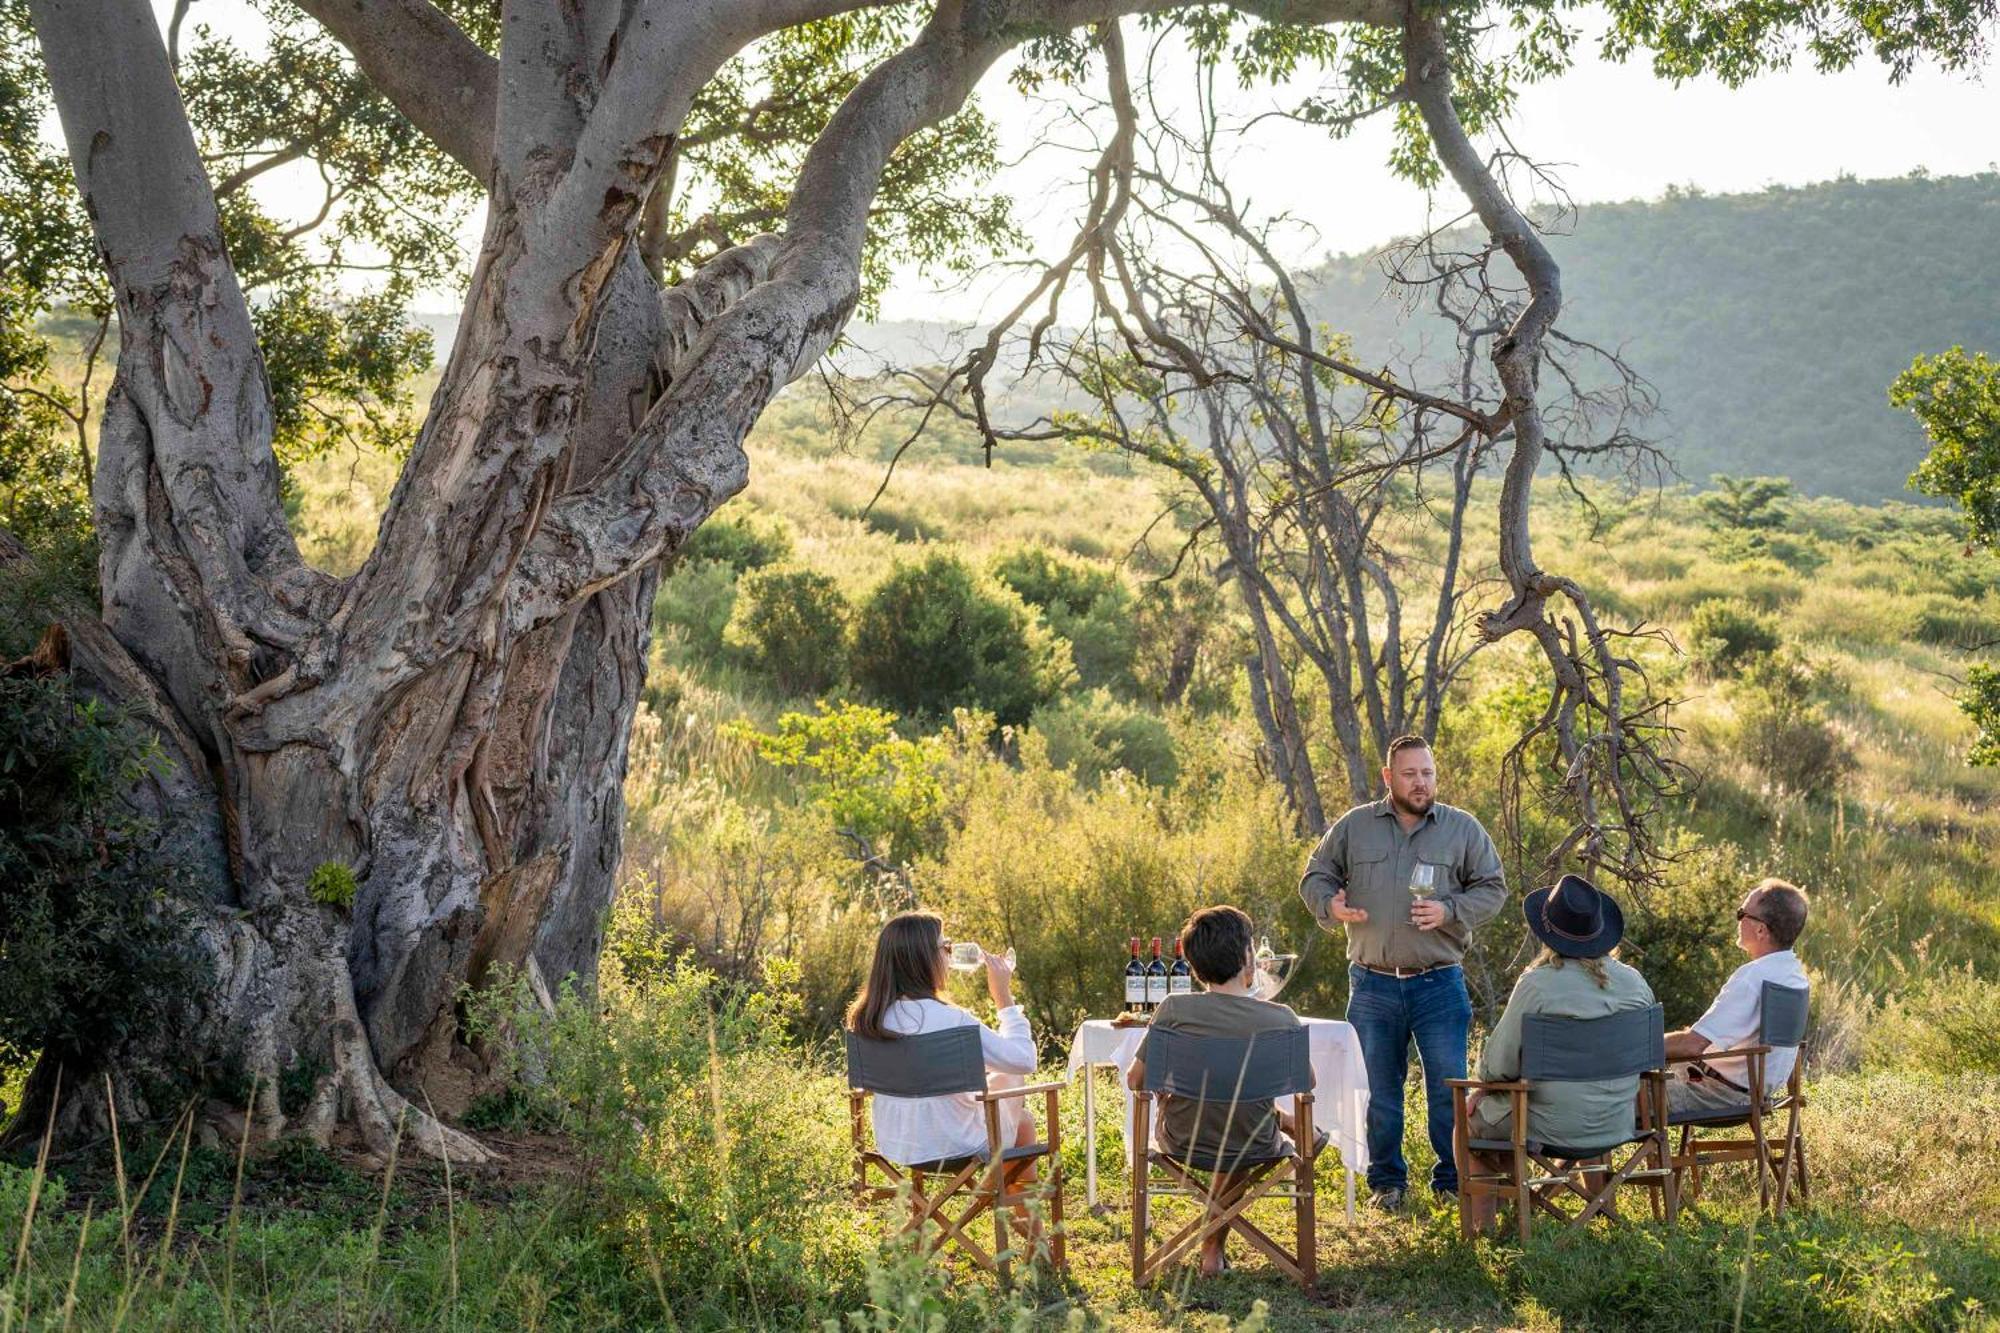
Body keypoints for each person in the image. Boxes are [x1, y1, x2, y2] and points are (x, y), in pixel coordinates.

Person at [1298, 734, 1506, 1210]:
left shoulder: (1462, 829)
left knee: (1446, 1090)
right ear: (1389, 777)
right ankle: (1386, 1184)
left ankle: (1453, 1184)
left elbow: (1493, 888)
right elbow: (1315, 876)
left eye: (1428, 773)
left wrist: (1450, 910)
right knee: (1380, 1092)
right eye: (1410, 774)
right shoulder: (1355, 827)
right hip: (1371, 983)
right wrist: (1327, 903)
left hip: (1439, 981)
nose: (1421, 783)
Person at [1460, 874, 1656, 1232]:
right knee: (1585, 1093)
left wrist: (1484, 1088)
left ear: (1548, 934)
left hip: (1551, 1126)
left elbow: (1497, 1066)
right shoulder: (1635, 982)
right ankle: (1602, 1212)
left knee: (1471, 1123)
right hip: (1617, 1120)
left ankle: (1486, 1232)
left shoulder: (1537, 985)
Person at [1127, 905, 1307, 1277]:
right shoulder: (1281, 1017)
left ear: (1193, 965)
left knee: (1231, 1116)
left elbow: (1135, 1080)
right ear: (1248, 958)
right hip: (1252, 1139)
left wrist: (1166, 1093)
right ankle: (1213, 1247)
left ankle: (1212, 1249)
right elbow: (1308, 1081)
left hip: (1182, 1137)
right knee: (1243, 1125)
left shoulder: (1172, 1009)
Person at [845, 911, 1039, 1170]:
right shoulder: (954, 1021)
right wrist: (1003, 998)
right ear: (924, 959)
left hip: (897, 1144)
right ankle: (1003, 1203)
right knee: (1013, 1078)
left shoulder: (867, 1019)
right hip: (959, 1145)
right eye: (946, 947)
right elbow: (1024, 1060)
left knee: (1023, 1121)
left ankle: (1023, 1211)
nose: (950, 954)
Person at [1663, 878, 1810, 1114]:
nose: (1738, 919)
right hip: (1753, 1093)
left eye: (1742, 913)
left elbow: (1692, 1045)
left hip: (1717, 1094)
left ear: (1761, 929)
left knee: (1608, 1098)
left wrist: (1639, 1047)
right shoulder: (1794, 975)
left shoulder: (1754, 977)